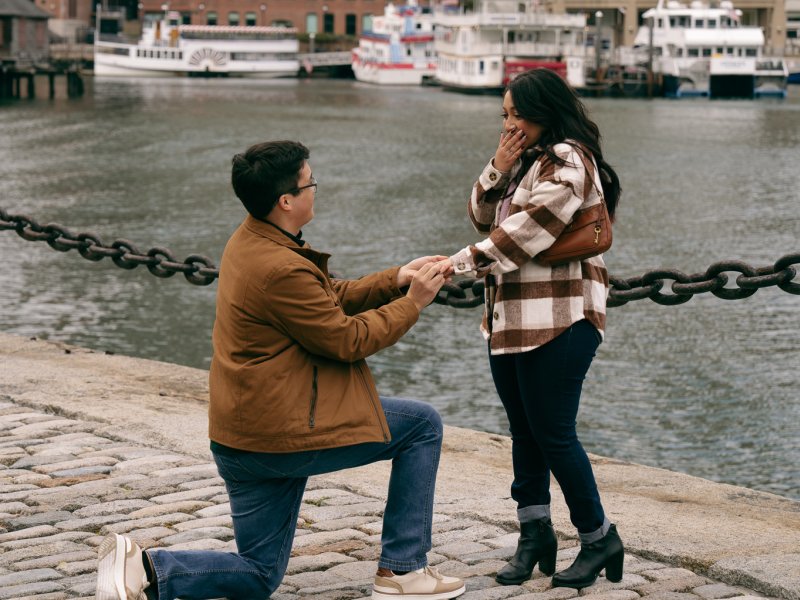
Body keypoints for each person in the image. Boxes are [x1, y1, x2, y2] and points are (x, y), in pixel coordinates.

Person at [95, 140, 466, 600]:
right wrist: (413, 304)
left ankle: (146, 569)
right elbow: (347, 339)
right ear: (287, 200)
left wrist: (395, 279)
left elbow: (324, 297)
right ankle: (403, 571)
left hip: (241, 435)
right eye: (311, 182)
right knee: (422, 426)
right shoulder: (281, 268)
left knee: (258, 575)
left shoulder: (250, 240)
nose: (316, 189)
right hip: (277, 436)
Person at [438, 68, 624, 590]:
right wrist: (497, 166)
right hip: (509, 318)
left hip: (560, 318)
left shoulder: (568, 159)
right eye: (505, 116)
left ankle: (598, 536)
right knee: (525, 432)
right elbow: (482, 216)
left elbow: (520, 237)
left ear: (546, 111)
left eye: (518, 115)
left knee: (555, 433)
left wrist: (448, 268)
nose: (510, 125)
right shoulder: (524, 163)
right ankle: (534, 533)